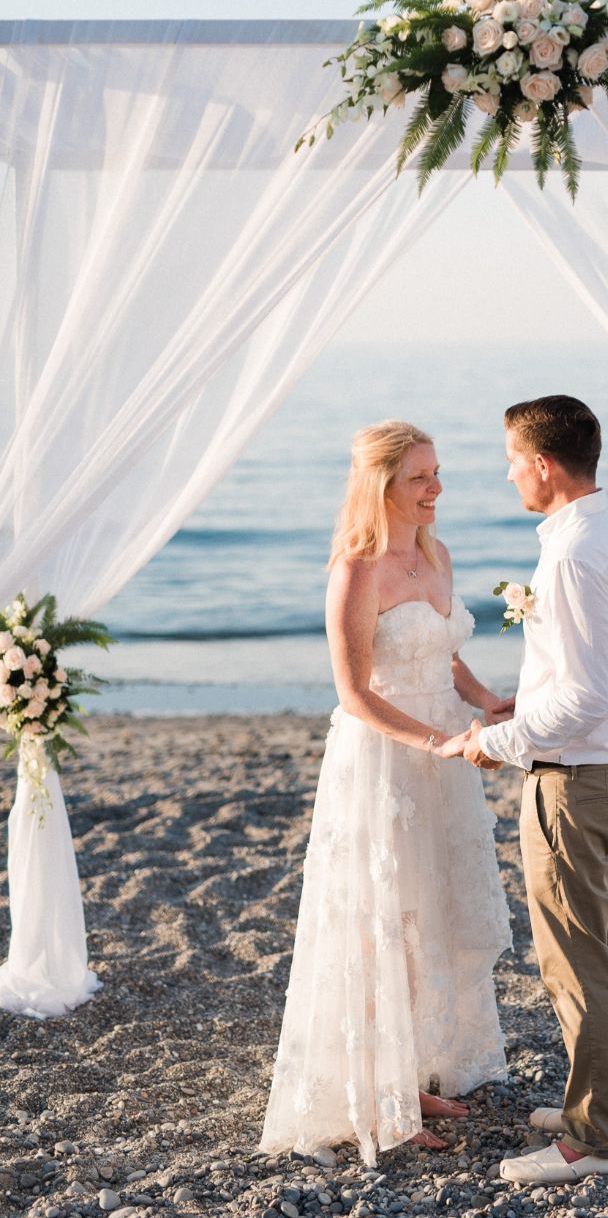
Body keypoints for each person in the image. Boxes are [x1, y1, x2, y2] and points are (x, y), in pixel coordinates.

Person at [260, 420, 511, 1165]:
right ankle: (376, 1099)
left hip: (447, 757)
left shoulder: (436, 554)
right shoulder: (356, 570)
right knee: (381, 920)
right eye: (420, 478)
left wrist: (488, 703)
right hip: (387, 764)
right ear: (383, 487)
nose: (437, 489)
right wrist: (434, 741)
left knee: (429, 913)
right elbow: (354, 695)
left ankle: (403, 1074)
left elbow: (448, 652)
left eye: (437, 473)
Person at [443, 395, 608, 1184]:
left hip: (571, 785)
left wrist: (493, 742)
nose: (506, 474)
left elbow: (584, 699)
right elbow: (598, 682)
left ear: (542, 463)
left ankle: (593, 1139)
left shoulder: (571, 554)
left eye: (511, 459)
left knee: (577, 963)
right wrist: (518, 709)